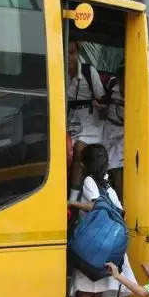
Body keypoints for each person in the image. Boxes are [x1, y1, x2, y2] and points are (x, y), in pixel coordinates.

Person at [67, 145, 134, 297]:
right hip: (107, 249)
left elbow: (94, 206)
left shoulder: (88, 182)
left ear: (84, 164)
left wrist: (70, 203)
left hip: (91, 247)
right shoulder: (110, 187)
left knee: (85, 294)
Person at [66, 40, 106, 201]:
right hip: (68, 120)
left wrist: (100, 105)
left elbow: (102, 99)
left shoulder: (89, 72)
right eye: (66, 53)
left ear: (78, 53)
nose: (69, 57)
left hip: (89, 123)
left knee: (79, 151)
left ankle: (73, 199)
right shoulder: (57, 72)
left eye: (72, 52)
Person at [102, 66, 125, 198]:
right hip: (108, 128)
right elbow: (104, 101)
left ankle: (120, 199)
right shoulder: (112, 85)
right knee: (107, 163)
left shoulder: (135, 88)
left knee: (117, 167)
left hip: (124, 131)